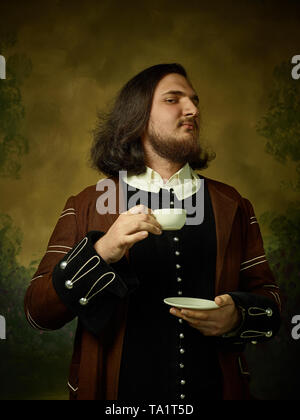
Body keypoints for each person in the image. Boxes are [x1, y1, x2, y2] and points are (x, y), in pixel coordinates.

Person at [24, 63, 281, 401]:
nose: (193, 109)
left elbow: (271, 304)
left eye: (194, 100)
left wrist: (237, 315)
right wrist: (100, 252)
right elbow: (38, 313)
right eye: (173, 99)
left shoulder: (232, 204)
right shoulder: (87, 204)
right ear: (138, 117)